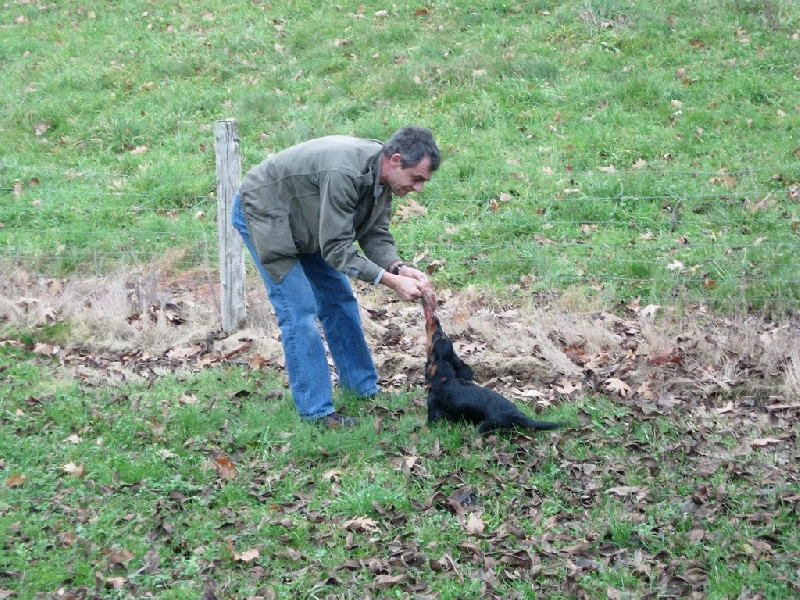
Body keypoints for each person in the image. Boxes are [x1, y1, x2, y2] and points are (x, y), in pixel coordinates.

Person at [231, 126, 441, 428]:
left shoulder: (382, 178)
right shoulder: (345, 172)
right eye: (417, 178)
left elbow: (375, 234)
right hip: (267, 214)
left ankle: (361, 388)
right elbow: (337, 250)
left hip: (309, 222)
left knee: (339, 298)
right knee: (299, 311)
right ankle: (316, 413)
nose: (419, 188)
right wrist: (390, 281)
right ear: (396, 159)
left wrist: (399, 267)